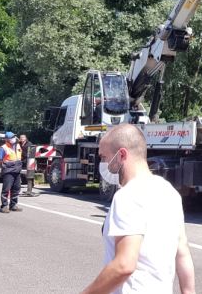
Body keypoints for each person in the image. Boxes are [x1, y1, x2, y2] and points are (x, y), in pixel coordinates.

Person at [82, 124, 195, 294]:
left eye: (104, 157)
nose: (103, 164)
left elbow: (124, 265)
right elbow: (182, 253)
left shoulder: (128, 196)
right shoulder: (168, 191)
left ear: (121, 155)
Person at [0, 131, 23, 213]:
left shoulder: (18, 146)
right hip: (8, 171)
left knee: (16, 188)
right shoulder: (3, 148)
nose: (13, 139)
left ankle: (13, 205)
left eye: (14, 137)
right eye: (11, 137)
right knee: (6, 189)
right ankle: (4, 206)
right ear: (7, 139)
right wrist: (4, 166)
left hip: (17, 170)